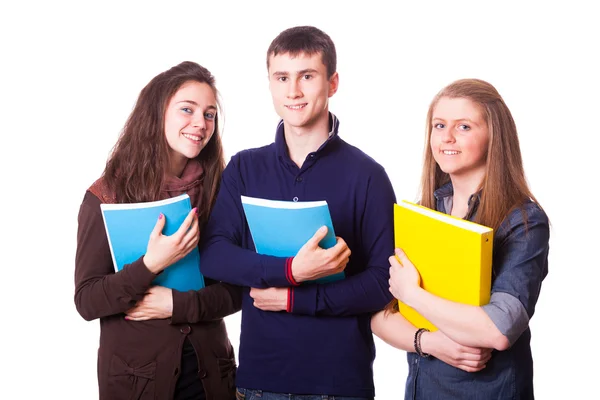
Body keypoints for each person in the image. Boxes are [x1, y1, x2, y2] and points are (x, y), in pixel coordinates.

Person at [200, 26, 396, 399]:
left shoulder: (367, 175)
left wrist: (295, 298)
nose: (293, 91)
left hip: (339, 384)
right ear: (270, 84)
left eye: (307, 76)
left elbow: (383, 282)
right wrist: (291, 271)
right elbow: (213, 255)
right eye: (282, 78)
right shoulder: (244, 168)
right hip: (259, 381)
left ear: (332, 83)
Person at [371, 78, 550, 399]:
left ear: (494, 135)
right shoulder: (424, 212)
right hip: (422, 390)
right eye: (439, 125)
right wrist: (429, 342)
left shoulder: (523, 221)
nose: (447, 137)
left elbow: (498, 330)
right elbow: (379, 314)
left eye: (464, 126)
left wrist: (412, 293)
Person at [74, 61, 241, 400]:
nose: (201, 124)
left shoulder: (220, 191)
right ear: (157, 113)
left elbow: (239, 290)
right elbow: (87, 301)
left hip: (211, 377)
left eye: (209, 114)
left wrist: (178, 305)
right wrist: (151, 264)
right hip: (138, 383)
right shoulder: (106, 196)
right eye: (187, 110)